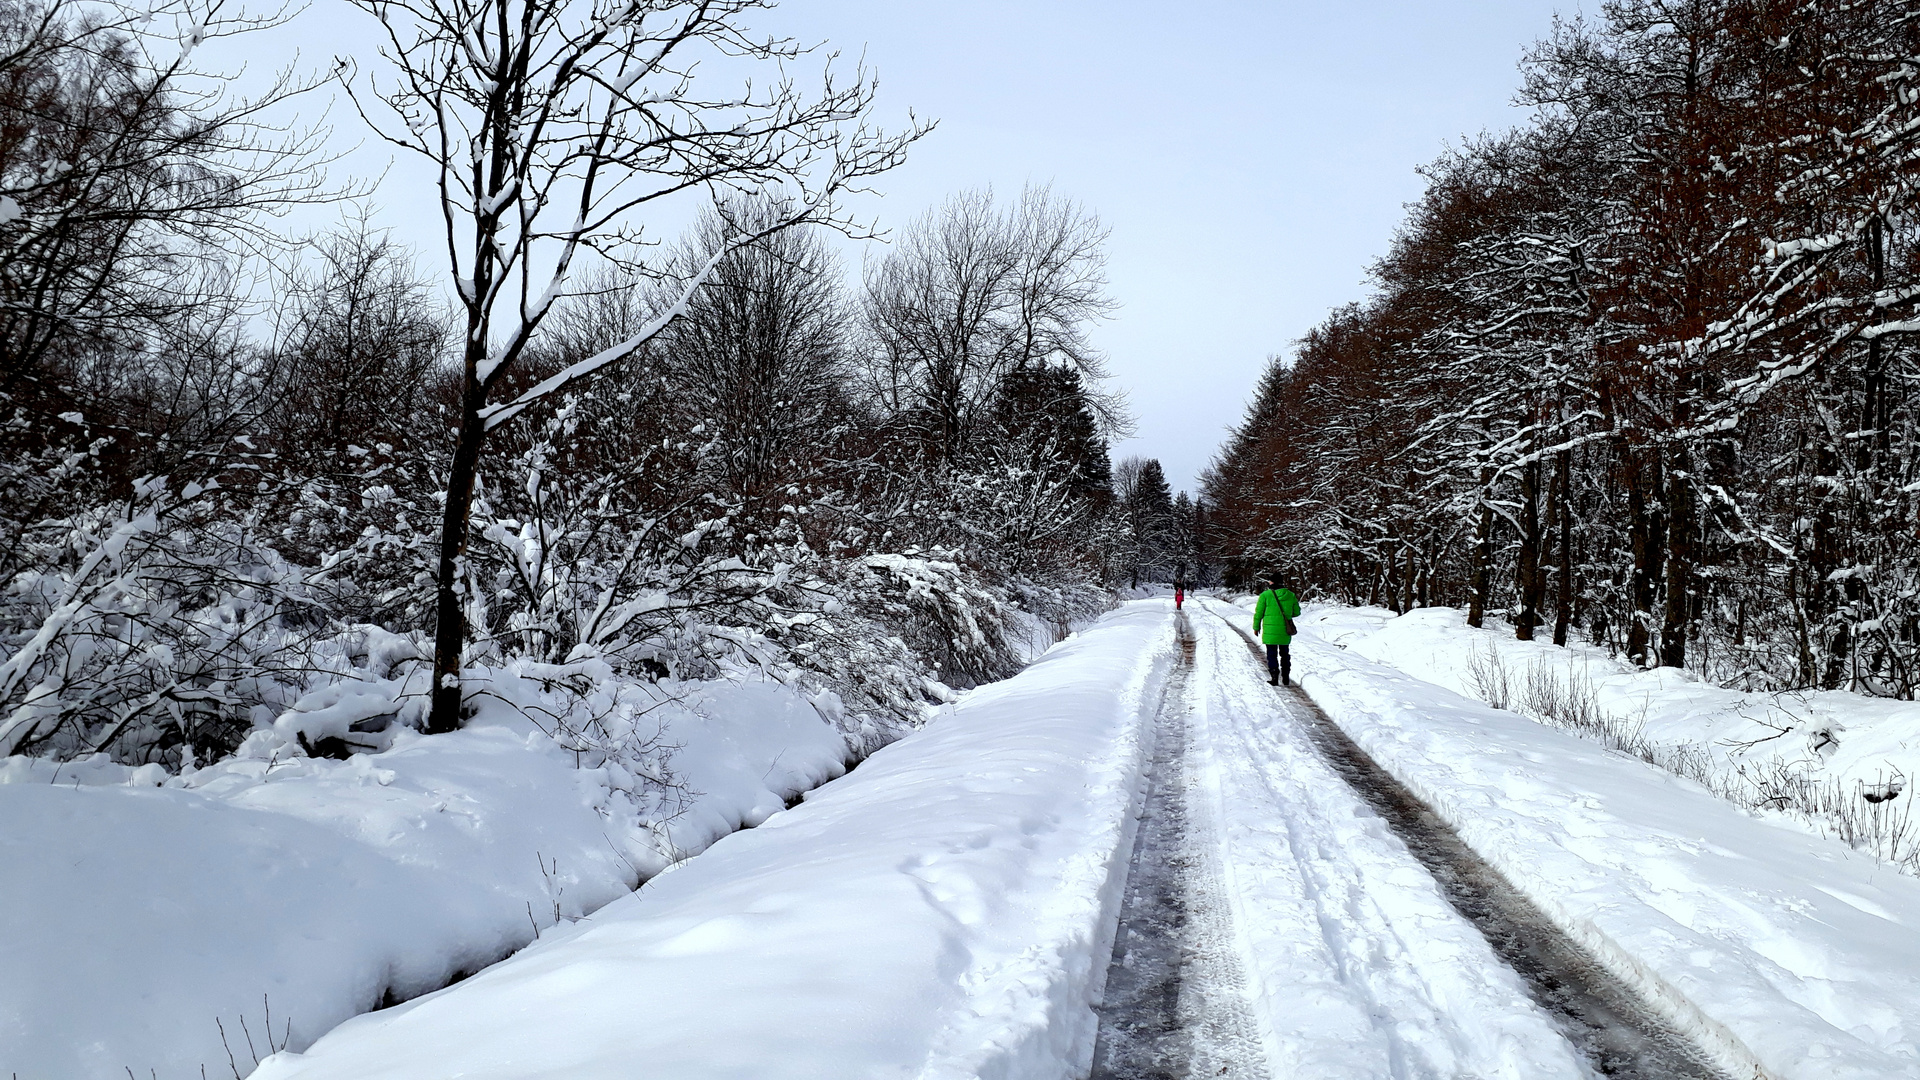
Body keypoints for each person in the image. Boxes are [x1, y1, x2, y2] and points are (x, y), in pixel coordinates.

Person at [1252, 572, 1301, 686]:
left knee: (1271, 654)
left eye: (1269, 581)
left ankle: (1274, 677)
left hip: (1270, 631)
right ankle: (1286, 677)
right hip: (1285, 630)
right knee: (1285, 654)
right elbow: (1297, 612)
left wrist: (1256, 627)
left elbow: (1259, 613)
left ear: (1272, 582)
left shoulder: (1265, 595)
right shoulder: (1290, 595)